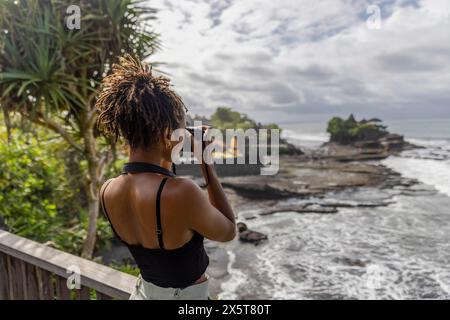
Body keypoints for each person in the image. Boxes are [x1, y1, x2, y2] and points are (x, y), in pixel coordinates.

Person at [95, 55, 236, 300]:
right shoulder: (181, 192)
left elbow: (154, 172)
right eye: (181, 129)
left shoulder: (108, 189)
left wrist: (169, 143)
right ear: (165, 133)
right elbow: (228, 231)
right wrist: (206, 163)